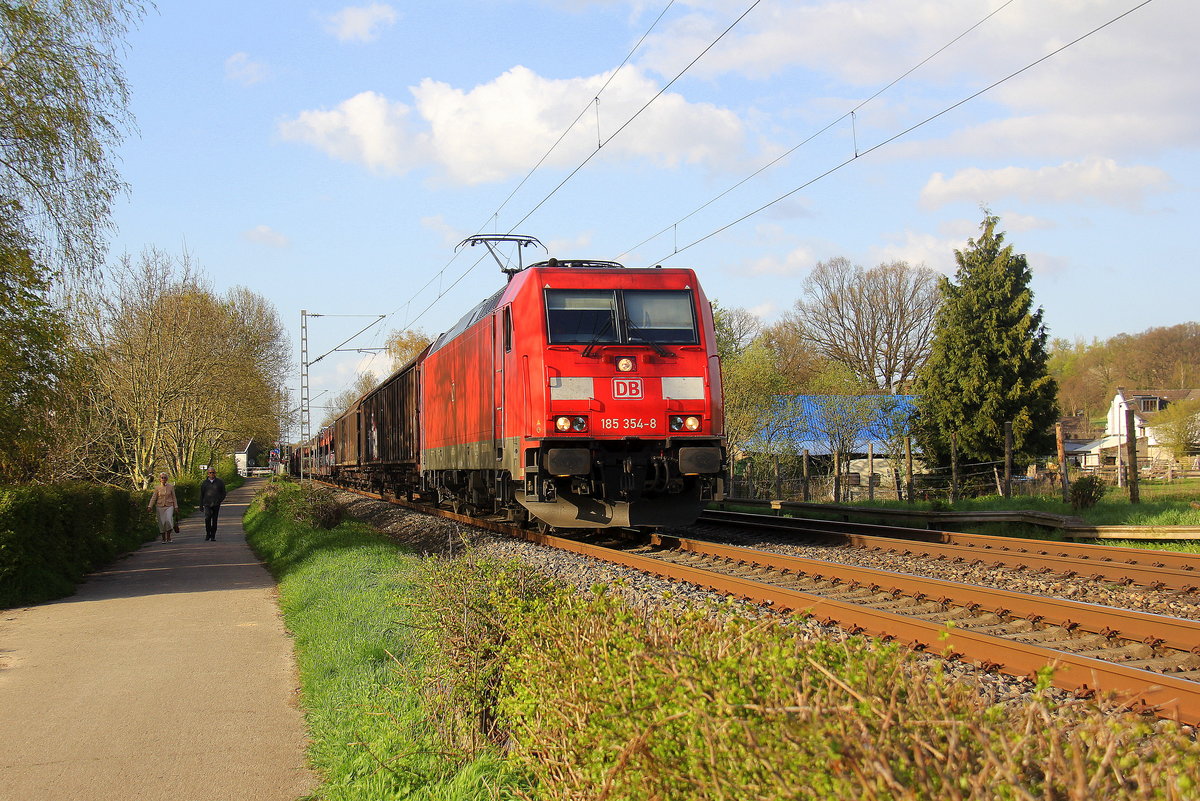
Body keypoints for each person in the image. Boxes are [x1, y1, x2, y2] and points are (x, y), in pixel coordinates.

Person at [147, 472, 179, 543]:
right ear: (159, 479)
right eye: (162, 478)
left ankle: (169, 537)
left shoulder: (171, 487)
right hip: (160, 507)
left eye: (165, 477)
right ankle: (163, 538)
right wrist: (150, 506)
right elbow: (153, 498)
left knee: (168, 521)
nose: (163, 479)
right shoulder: (157, 488)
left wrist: (176, 506)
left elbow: (174, 497)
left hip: (169, 506)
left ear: (167, 479)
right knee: (162, 523)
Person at [199, 468, 228, 541]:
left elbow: (223, 493)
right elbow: (201, 494)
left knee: (214, 520)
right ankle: (208, 533)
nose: (212, 474)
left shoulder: (219, 482)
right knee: (207, 519)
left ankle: (213, 536)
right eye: (210, 473)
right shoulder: (204, 483)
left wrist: (219, 500)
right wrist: (201, 505)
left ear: (215, 473)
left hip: (216, 504)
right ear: (208, 474)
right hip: (207, 504)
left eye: (213, 472)